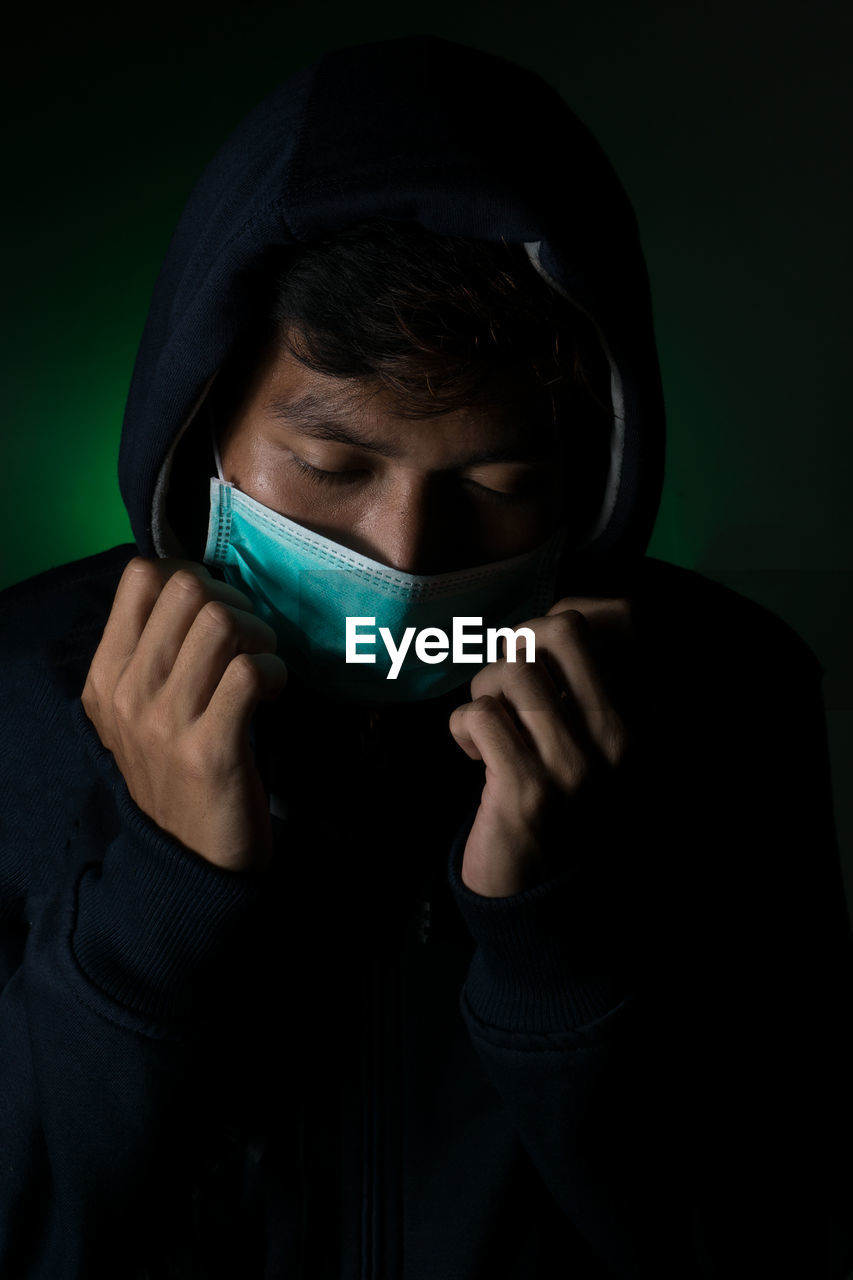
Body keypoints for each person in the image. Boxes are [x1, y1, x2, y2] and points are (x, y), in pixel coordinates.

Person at [0, 33, 851, 1280]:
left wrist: (558, 933)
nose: (405, 552)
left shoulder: (730, 697)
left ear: (588, 471)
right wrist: (154, 894)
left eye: (498, 483)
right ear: (203, 426)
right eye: (334, 468)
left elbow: (776, 1237)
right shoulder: (16, 689)